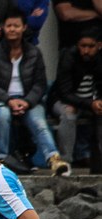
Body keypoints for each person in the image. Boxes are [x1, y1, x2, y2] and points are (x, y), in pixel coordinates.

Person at [0, 11, 71, 176]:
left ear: (24, 28)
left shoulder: (34, 52)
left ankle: (54, 159)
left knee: (39, 122)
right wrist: (8, 100)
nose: (12, 29)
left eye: (16, 26)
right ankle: (1, 159)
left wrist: (27, 102)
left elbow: (40, 84)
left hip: (27, 100)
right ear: (3, 28)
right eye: (9, 26)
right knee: (3, 114)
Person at [48, 26, 102, 170]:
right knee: (69, 114)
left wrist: (98, 102)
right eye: (82, 46)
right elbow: (64, 92)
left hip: (91, 102)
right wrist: (90, 104)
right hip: (64, 101)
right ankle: (66, 161)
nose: (86, 50)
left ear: (99, 45)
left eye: (90, 46)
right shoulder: (68, 57)